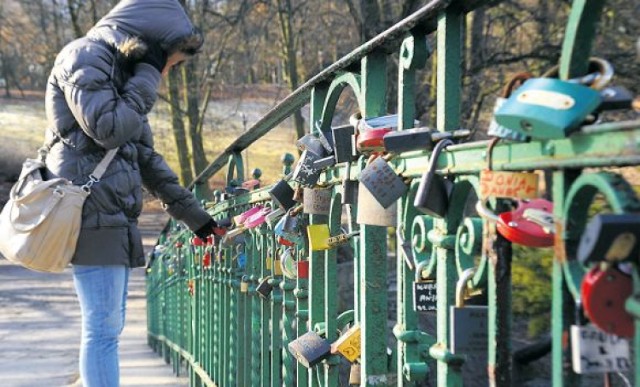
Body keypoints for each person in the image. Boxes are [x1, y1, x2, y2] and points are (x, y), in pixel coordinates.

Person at [42, 1, 221, 385]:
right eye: (169, 63)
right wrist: (147, 75)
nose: (168, 74)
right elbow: (108, 128)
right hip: (91, 213)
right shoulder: (82, 56)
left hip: (113, 216)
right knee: (102, 329)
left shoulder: (121, 77)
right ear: (152, 47)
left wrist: (197, 218)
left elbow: (145, 159)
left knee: (109, 326)